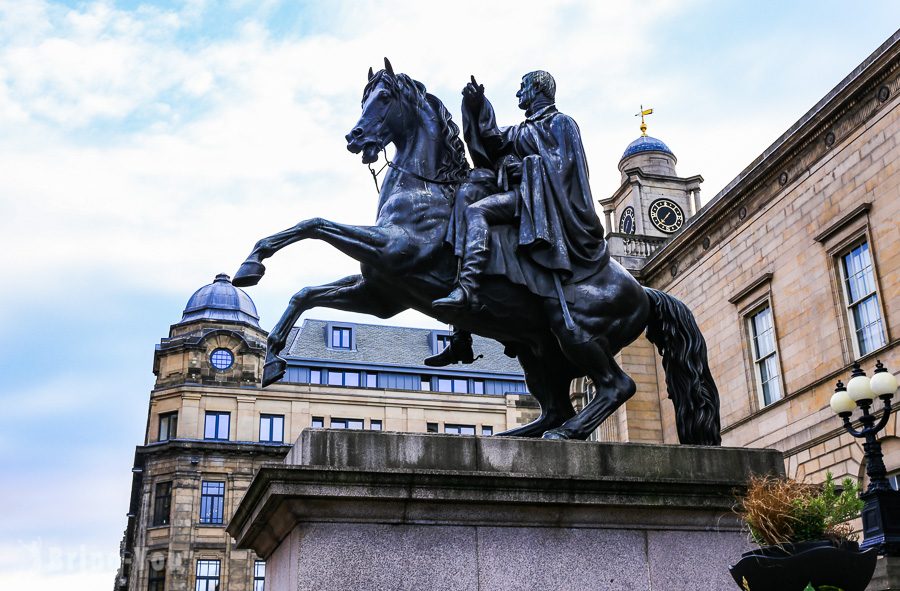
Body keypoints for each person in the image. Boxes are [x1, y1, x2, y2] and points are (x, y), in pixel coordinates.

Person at [425, 71, 608, 367]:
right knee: (466, 196)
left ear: (537, 89)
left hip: (542, 203)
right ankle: (462, 334)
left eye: (522, 87)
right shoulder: (525, 129)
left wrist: (528, 169)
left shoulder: (561, 123)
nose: (517, 94)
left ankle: (468, 288)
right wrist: (475, 104)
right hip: (521, 197)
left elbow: (567, 168)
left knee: (478, 211)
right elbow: (492, 140)